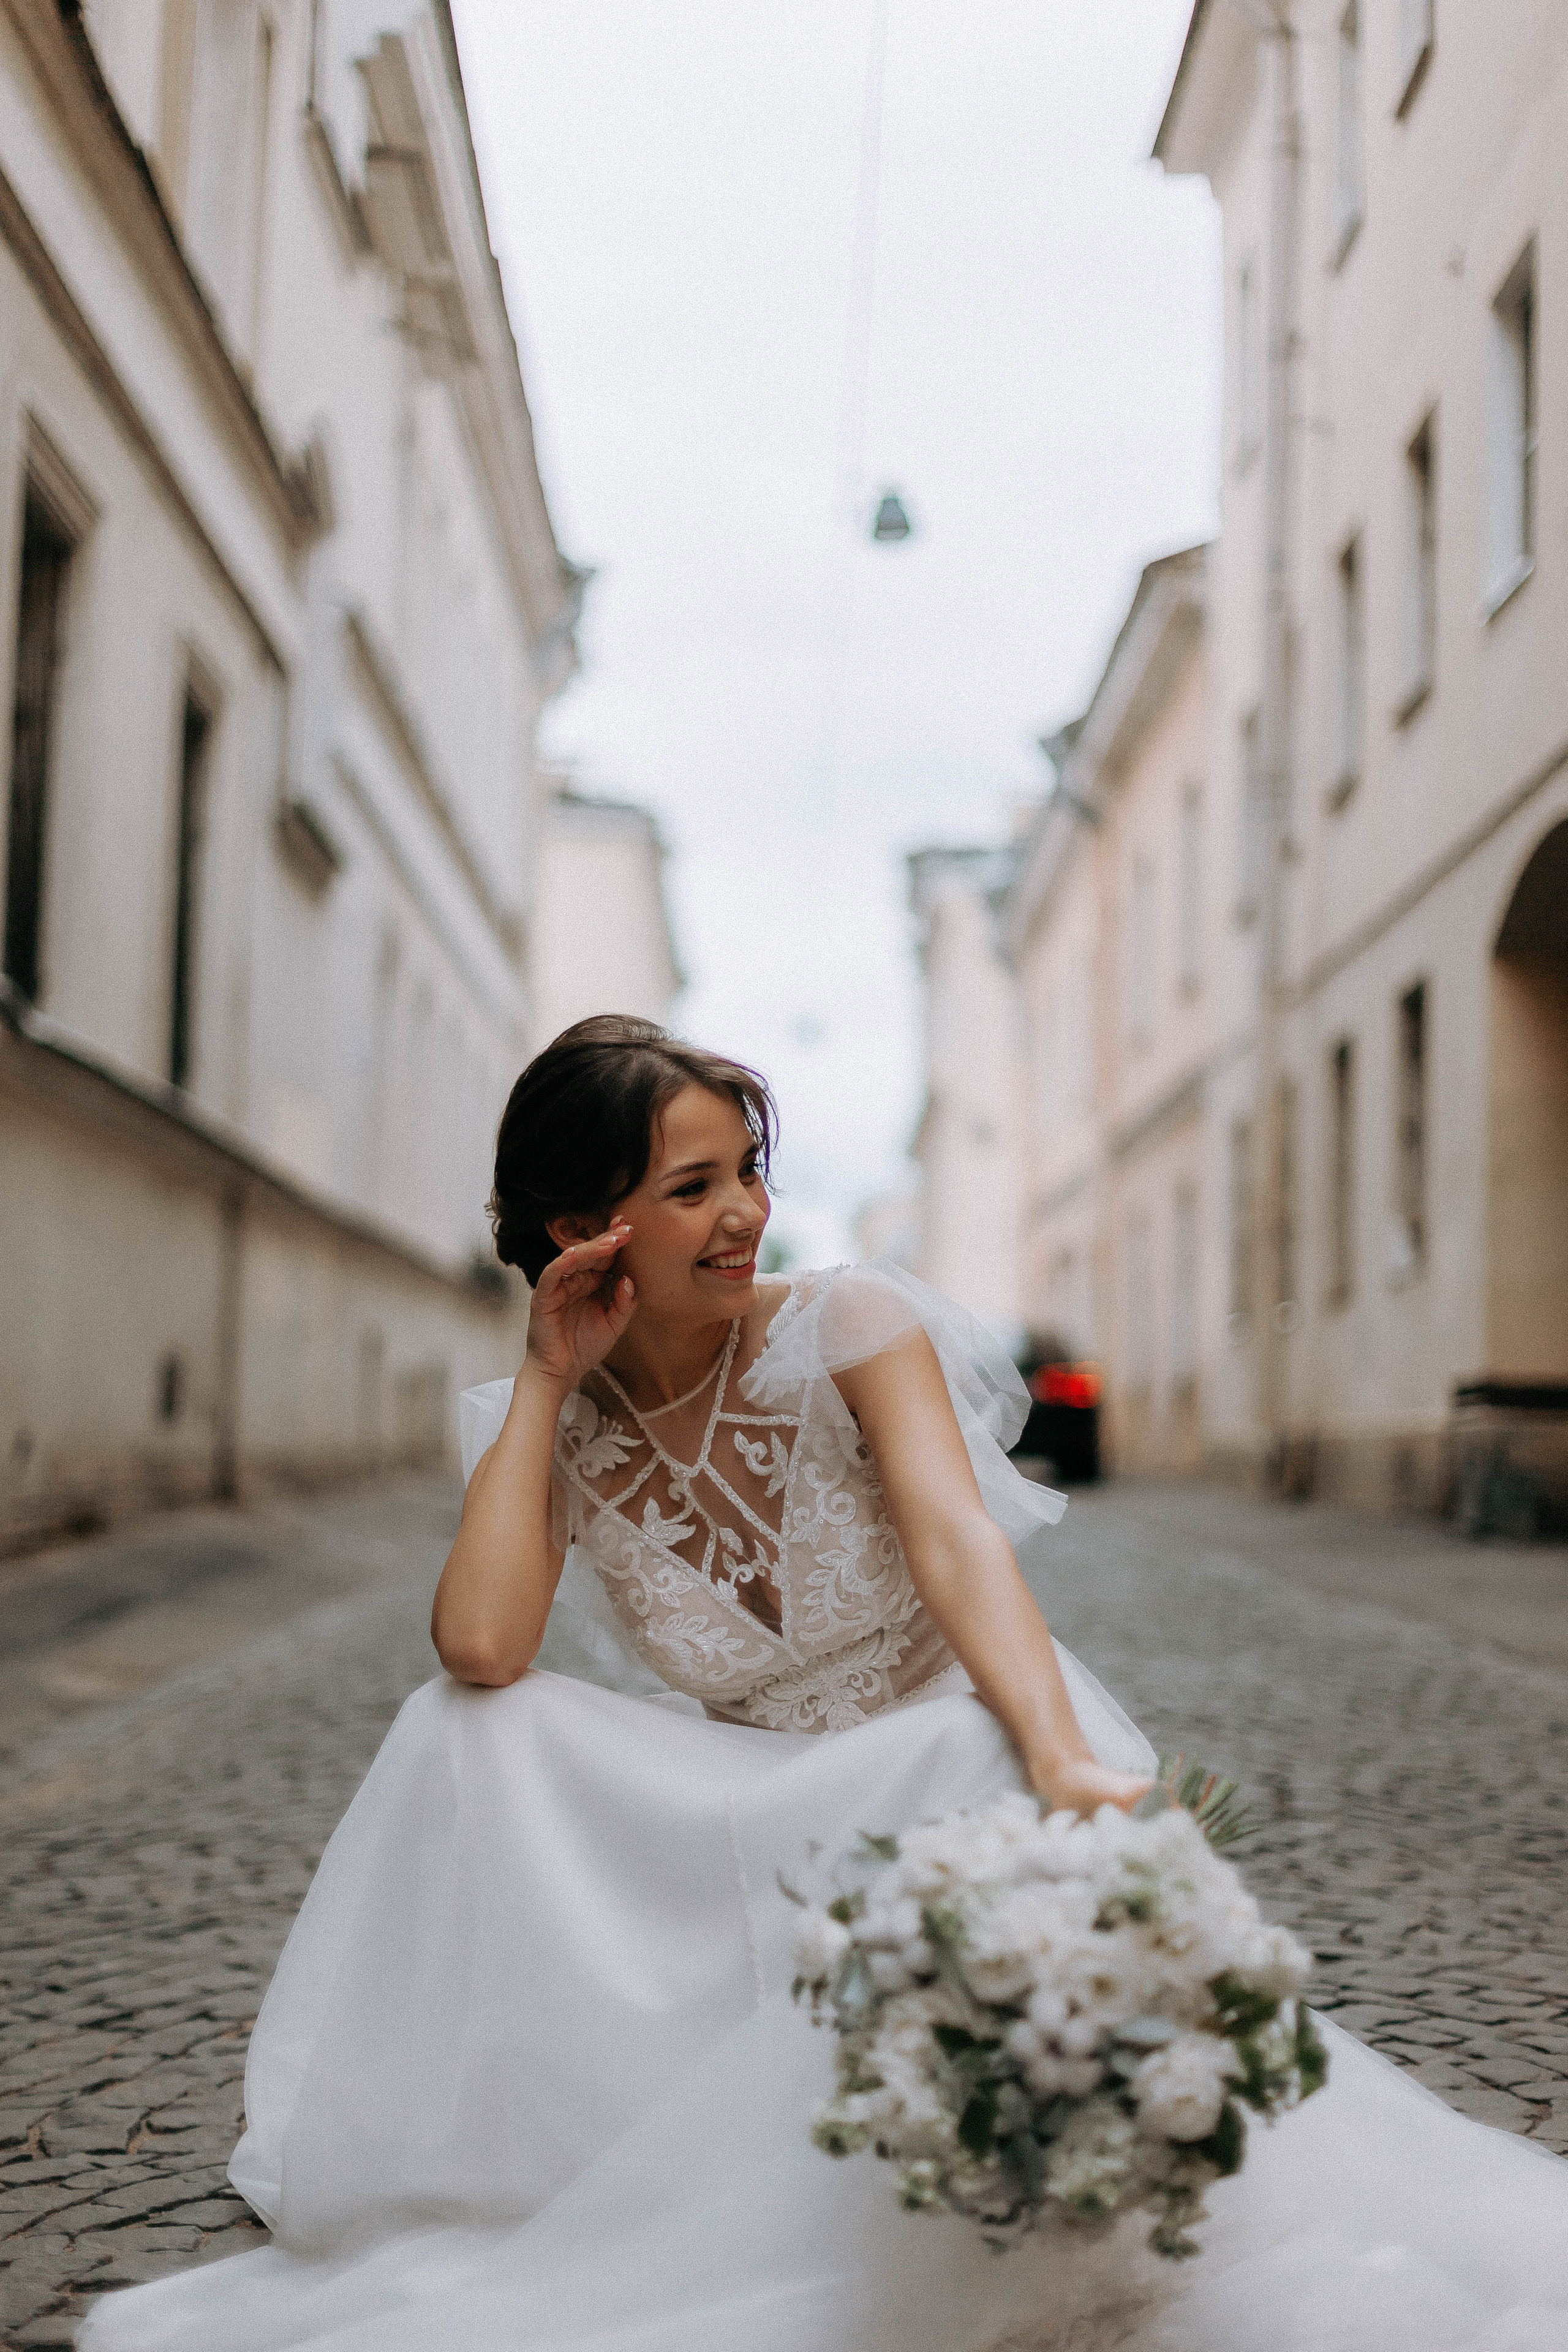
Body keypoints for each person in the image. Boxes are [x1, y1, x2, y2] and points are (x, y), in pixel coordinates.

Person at [81, 1019, 1568, 2351]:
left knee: (947, 1760)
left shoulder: (846, 1324)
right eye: (691, 1190)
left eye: (747, 1171)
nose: (742, 1216)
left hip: (938, 1747)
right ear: (581, 1229)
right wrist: (544, 1383)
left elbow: (951, 1541)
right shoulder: (555, 1415)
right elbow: (481, 1649)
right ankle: (522, 2140)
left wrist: (1052, 1754)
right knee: (463, 1725)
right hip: (747, 1789)